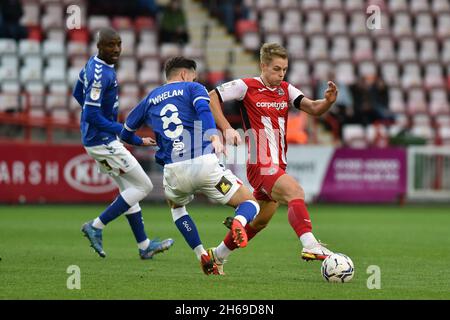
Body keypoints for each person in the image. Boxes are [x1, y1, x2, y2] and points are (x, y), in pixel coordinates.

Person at [120, 56, 260, 275]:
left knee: (177, 209)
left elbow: (125, 132)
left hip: (174, 172)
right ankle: (238, 222)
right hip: (204, 165)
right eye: (194, 75)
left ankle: (201, 254)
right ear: (185, 74)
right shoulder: (193, 87)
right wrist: (214, 136)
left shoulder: (150, 99)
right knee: (250, 203)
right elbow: (204, 110)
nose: (196, 79)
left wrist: (140, 141)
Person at [207, 43, 338, 269]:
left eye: (284, 69)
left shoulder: (286, 89)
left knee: (259, 221)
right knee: (295, 191)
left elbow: (314, 108)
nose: (281, 74)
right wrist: (227, 127)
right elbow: (211, 97)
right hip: (260, 163)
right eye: (276, 69)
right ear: (263, 66)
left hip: (277, 164)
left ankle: (215, 257)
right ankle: (310, 244)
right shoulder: (246, 86)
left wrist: (328, 102)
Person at [72, 28, 174, 260]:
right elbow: (91, 115)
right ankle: (96, 226)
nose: (116, 49)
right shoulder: (101, 75)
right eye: (110, 45)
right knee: (144, 186)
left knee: (129, 190)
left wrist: (94, 118)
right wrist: (127, 133)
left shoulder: (94, 66)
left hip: (99, 140)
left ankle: (144, 245)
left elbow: (78, 92)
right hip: (103, 142)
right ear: (99, 46)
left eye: (118, 44)